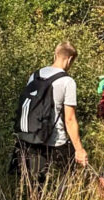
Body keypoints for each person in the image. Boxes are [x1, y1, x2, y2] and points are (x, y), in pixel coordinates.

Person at [15, 41, 89, 186]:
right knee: (69, 177)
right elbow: (70, 119)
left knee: (36, 182)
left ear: (55, 55)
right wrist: (79, 149)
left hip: (34, 136)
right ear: (70, 59)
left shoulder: (35, 75)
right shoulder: (67, 81)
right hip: (56, 139)